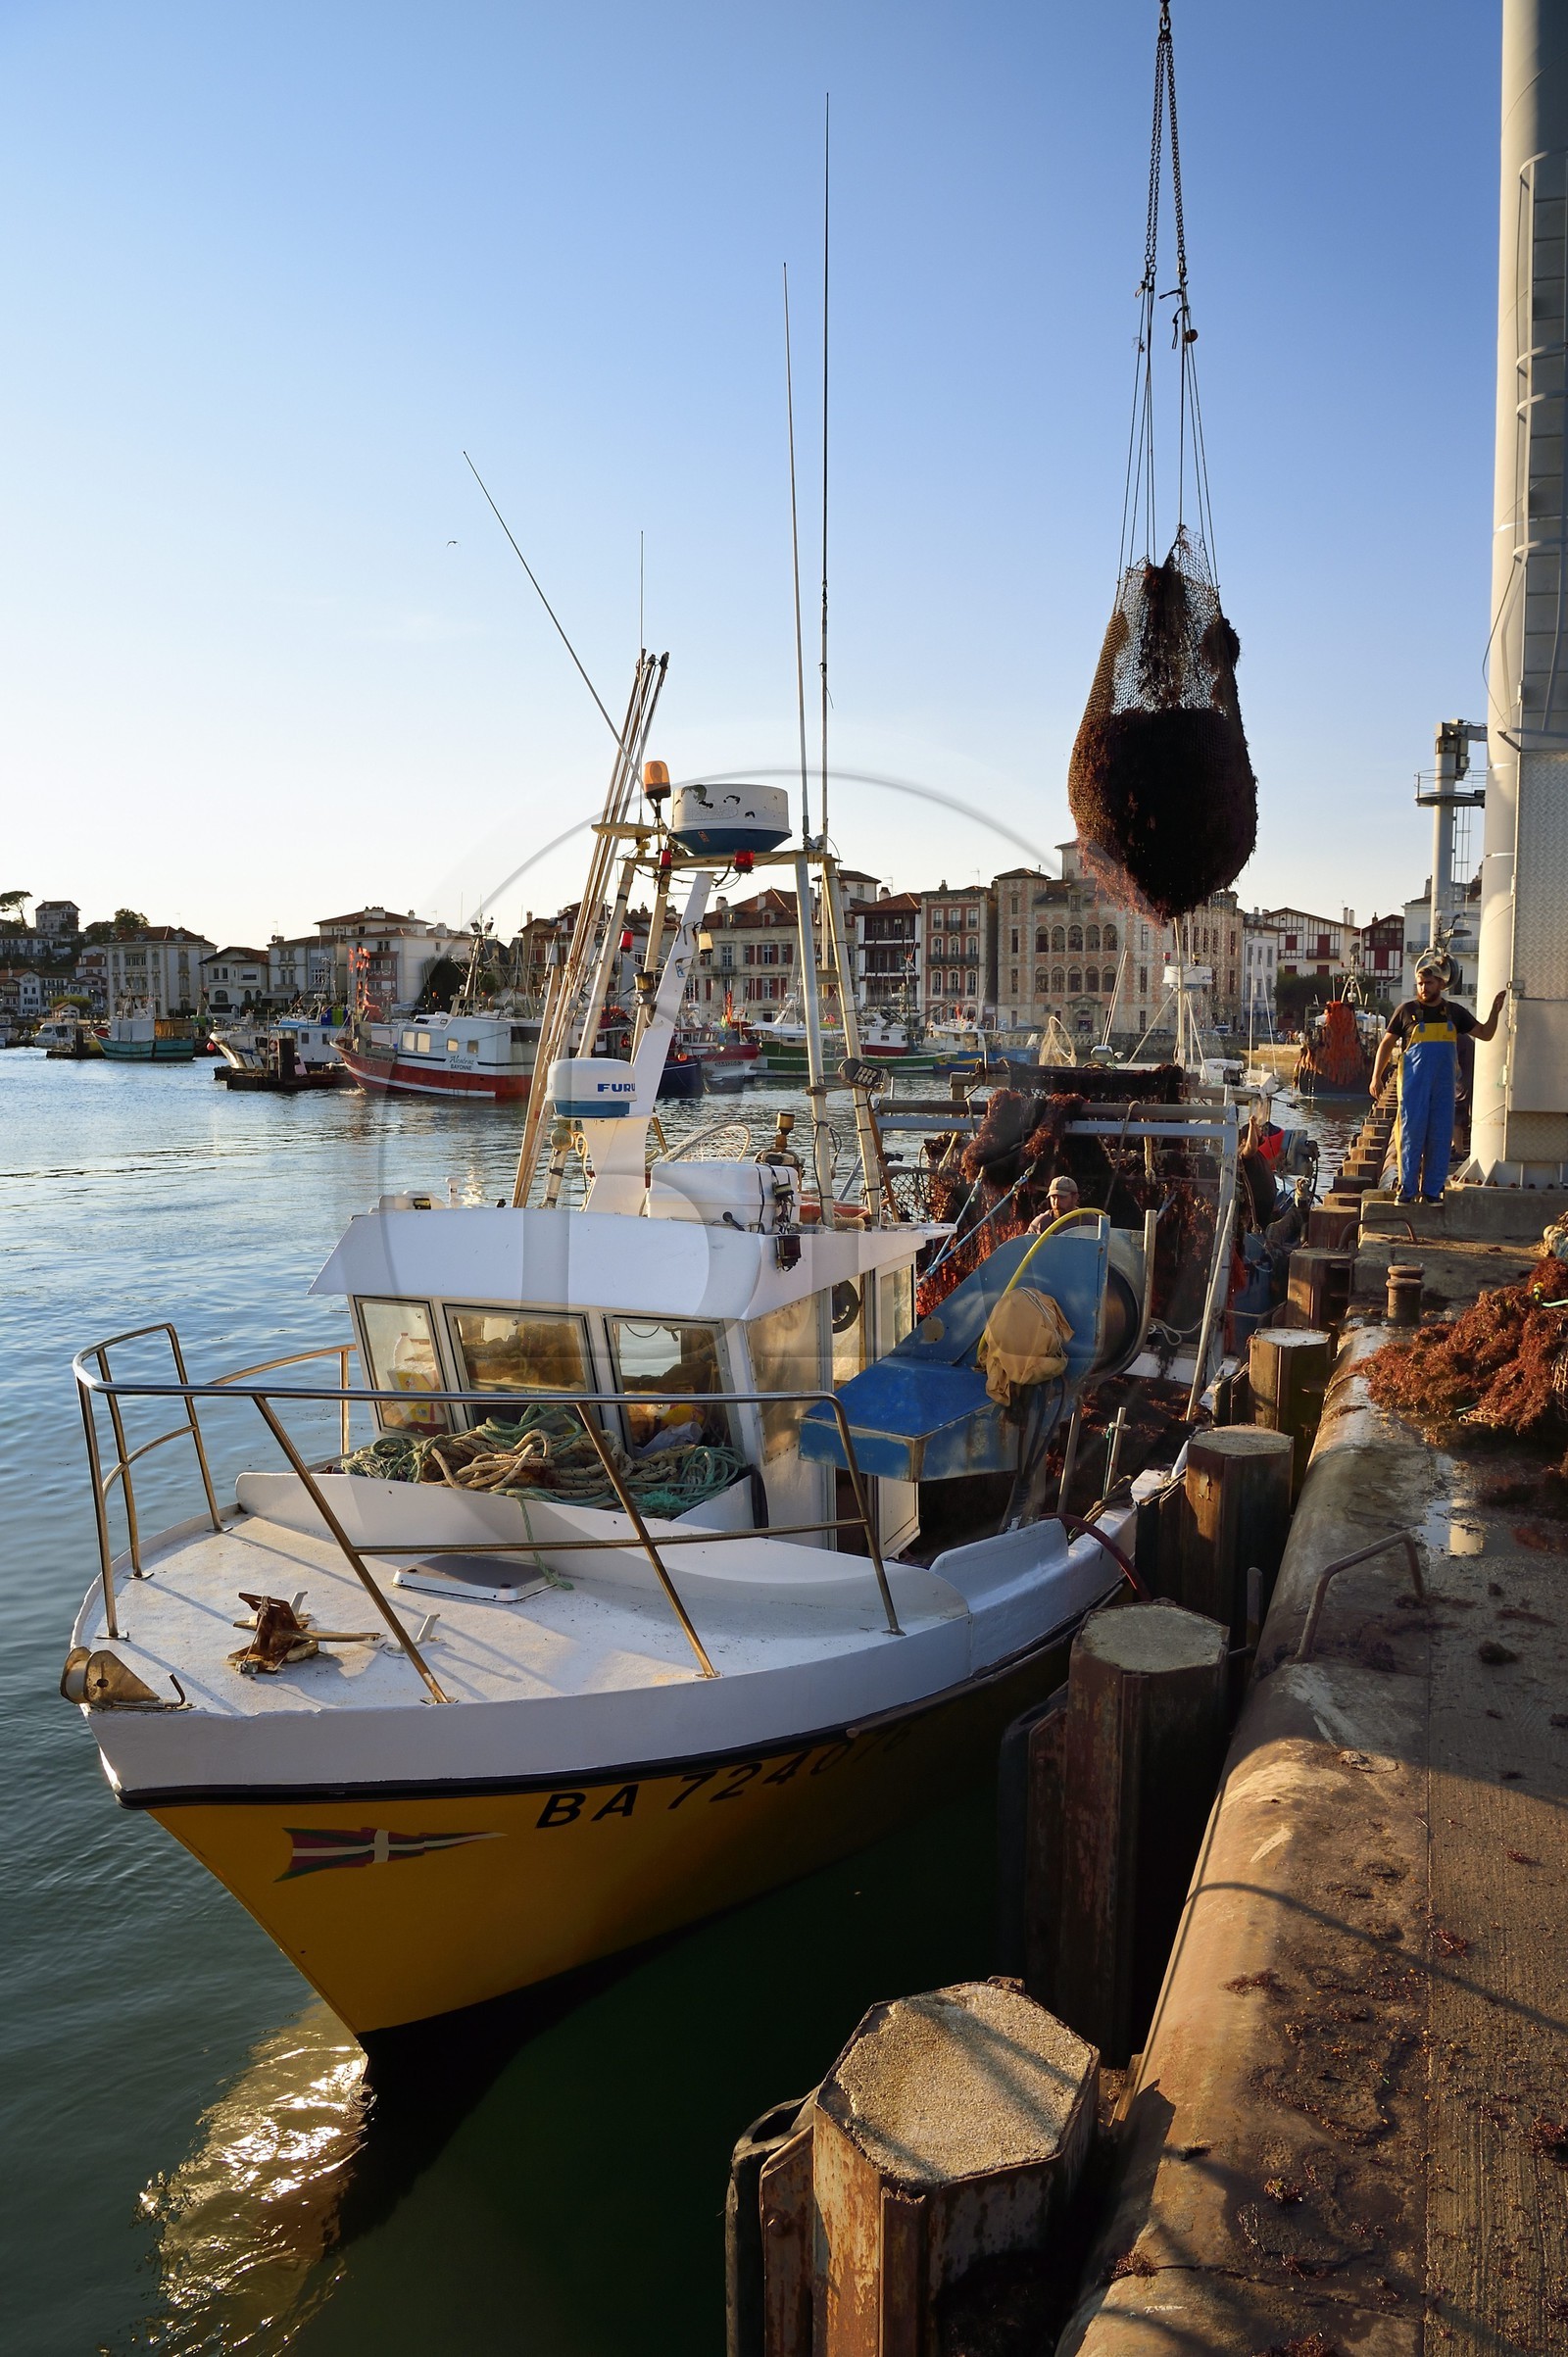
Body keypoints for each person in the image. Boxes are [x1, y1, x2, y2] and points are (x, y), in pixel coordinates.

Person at [1369, 955, 1505, 1204]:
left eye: (1429, 983)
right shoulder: (1406, 1011)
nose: (1424, 988)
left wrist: (1496, 1012)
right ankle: (1407, 1190)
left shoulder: (1455, 1013)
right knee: (1411, 1134)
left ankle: (1432, 1191)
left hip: (1444, 1088)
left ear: (1441, 985)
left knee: (1441, 1136)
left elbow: (1485, 1033)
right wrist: (1376, 1077)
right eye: (1420, 984)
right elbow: (1386, 1044)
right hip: (1414, 1088)